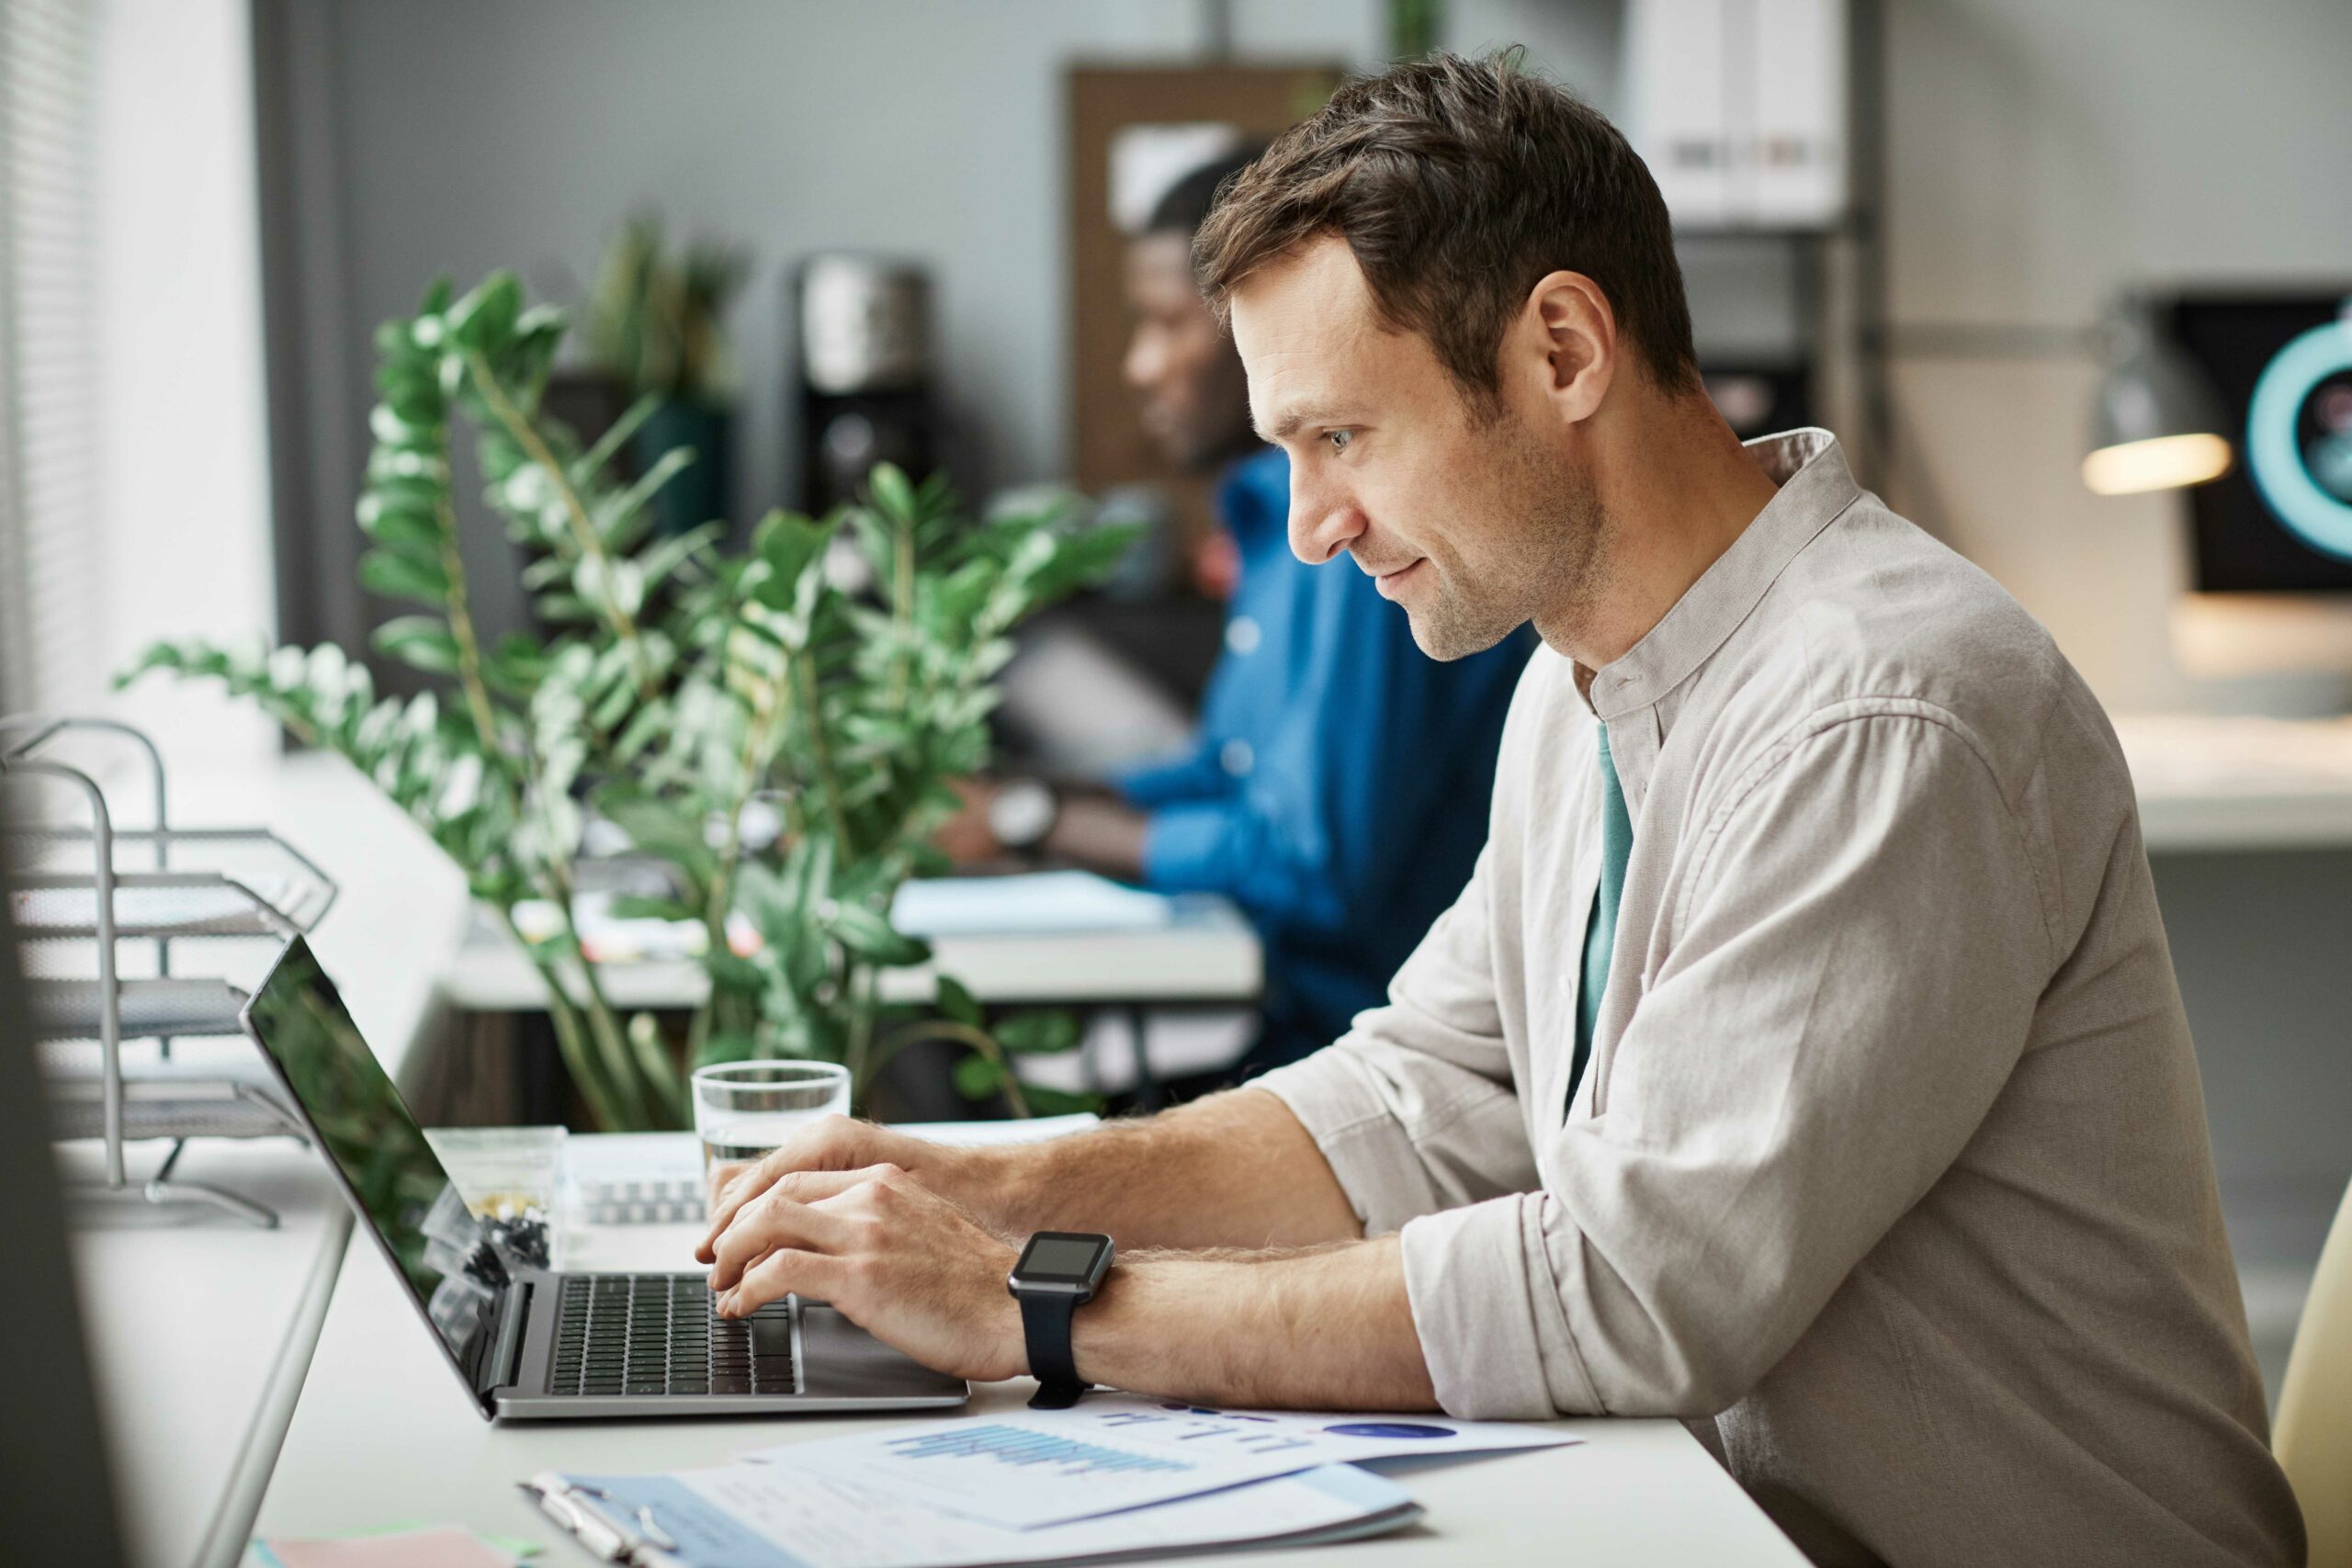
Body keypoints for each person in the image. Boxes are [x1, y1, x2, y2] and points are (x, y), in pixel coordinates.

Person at [700, 53, 2302, 1567]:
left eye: (1343, 437)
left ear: (1561, 350)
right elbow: (1414, 1103)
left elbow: (1630, 1292)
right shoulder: (1579, 677)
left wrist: (1033, 1304)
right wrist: (977, 1189)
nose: (1314, 528)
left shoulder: (1880, 708)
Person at [943, 149, 1532, 1073]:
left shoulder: (1361, 544)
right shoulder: (1273, 525)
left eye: (1167, 324)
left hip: (1368, 1055)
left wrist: (1030, 821)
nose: (1141, 366)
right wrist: (1038, 802)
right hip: (1293, 1031)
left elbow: (1310, 865)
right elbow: (1231, 771)